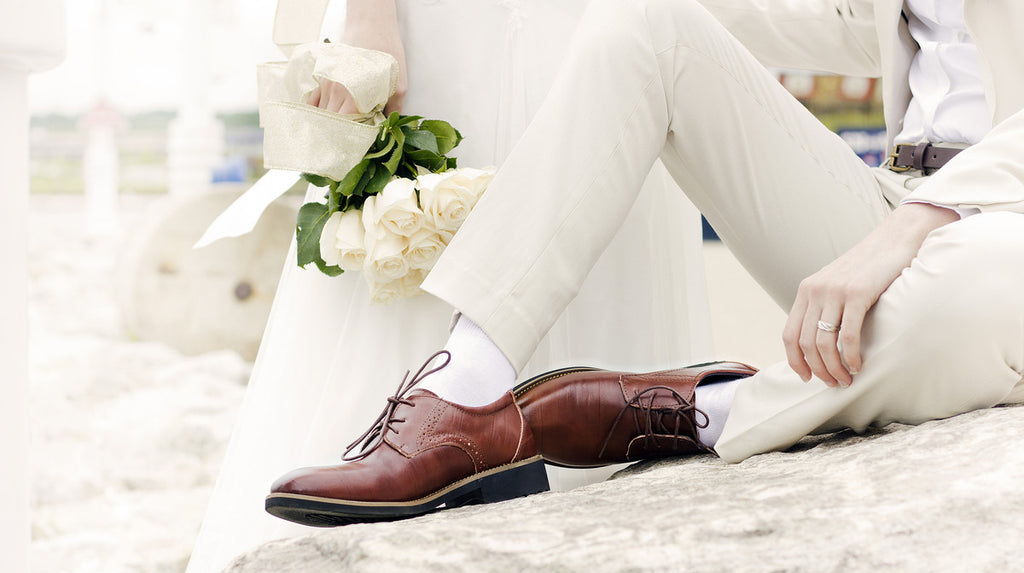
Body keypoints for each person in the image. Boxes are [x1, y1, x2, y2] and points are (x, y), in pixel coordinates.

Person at [266, 0, 1024, 526]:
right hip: (892, 197)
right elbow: (849, 24)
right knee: (653, 19)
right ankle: (458, 392)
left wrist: (912, 229)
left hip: (998, 220)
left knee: (968, 296)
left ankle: (690, 408)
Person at [164, 0, 711, 573]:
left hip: (610, 23)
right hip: (449, 25)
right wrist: (370, 16)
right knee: (412, 263)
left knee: (612, 268)